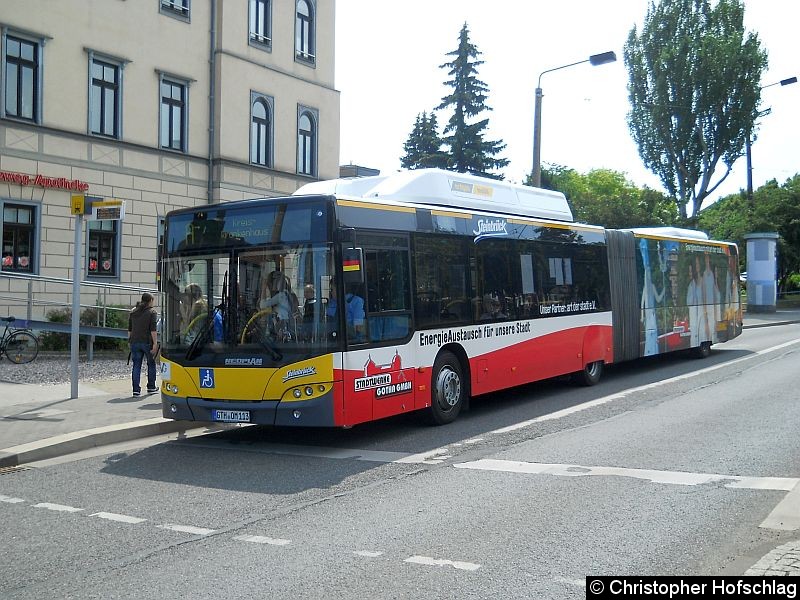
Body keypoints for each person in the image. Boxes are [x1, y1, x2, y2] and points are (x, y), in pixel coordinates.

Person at [128, 292, 158, 397]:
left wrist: (130, 341)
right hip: (147, 342)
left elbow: (130, 330)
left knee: (136, 365)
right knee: (151, 364)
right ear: (150, 301)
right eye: (153, 300)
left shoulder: (133, 312)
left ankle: (136, 390)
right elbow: (153, 330)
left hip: (134, 342)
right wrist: (155, 344)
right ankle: (151, 387)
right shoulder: (152, 312)